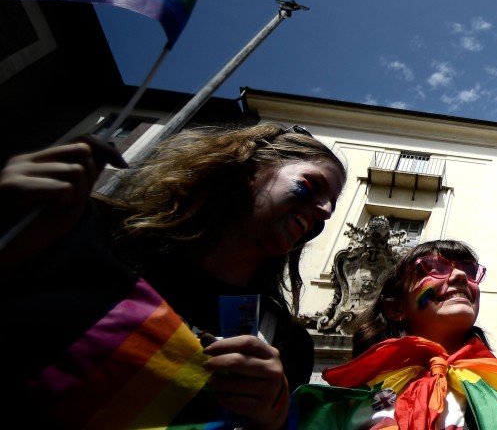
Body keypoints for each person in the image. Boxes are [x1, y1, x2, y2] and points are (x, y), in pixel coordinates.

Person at [0, 124, 348, 430]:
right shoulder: (89, 229)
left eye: (331, 205)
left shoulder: (286, 344)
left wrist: (269, 421)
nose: (326, 211)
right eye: (312, 186)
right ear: (252, 168)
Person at [287, 239, 497, 429]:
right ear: (397, 308)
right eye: (434, 268)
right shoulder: (351, 398)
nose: (460, 276)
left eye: (469, 270)